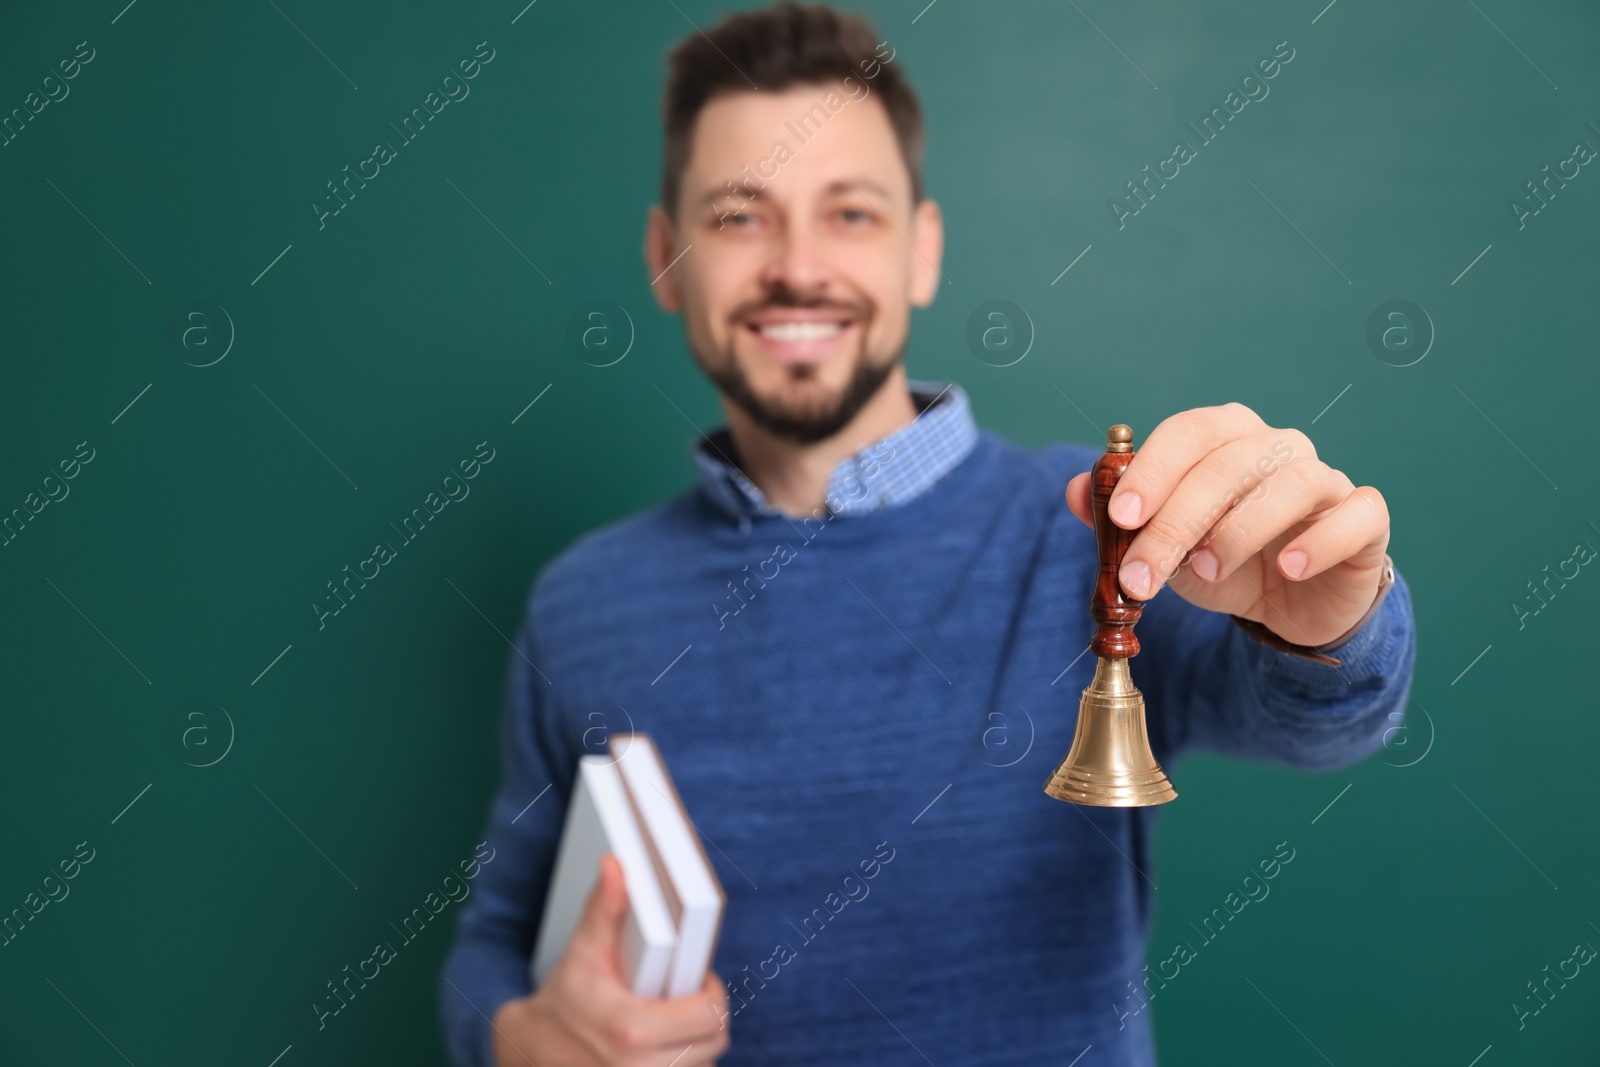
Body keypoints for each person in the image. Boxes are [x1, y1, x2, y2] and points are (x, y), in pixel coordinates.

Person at [438, 3, 1416, 1064]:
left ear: (922, 250)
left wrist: (1333, 622)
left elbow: (1320, 721)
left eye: (849, 213)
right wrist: (521, 1036)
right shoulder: (581, 602)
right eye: (737, 215)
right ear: (666, 254)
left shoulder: (1093, 529)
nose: (797, 266)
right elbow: (499, 935)